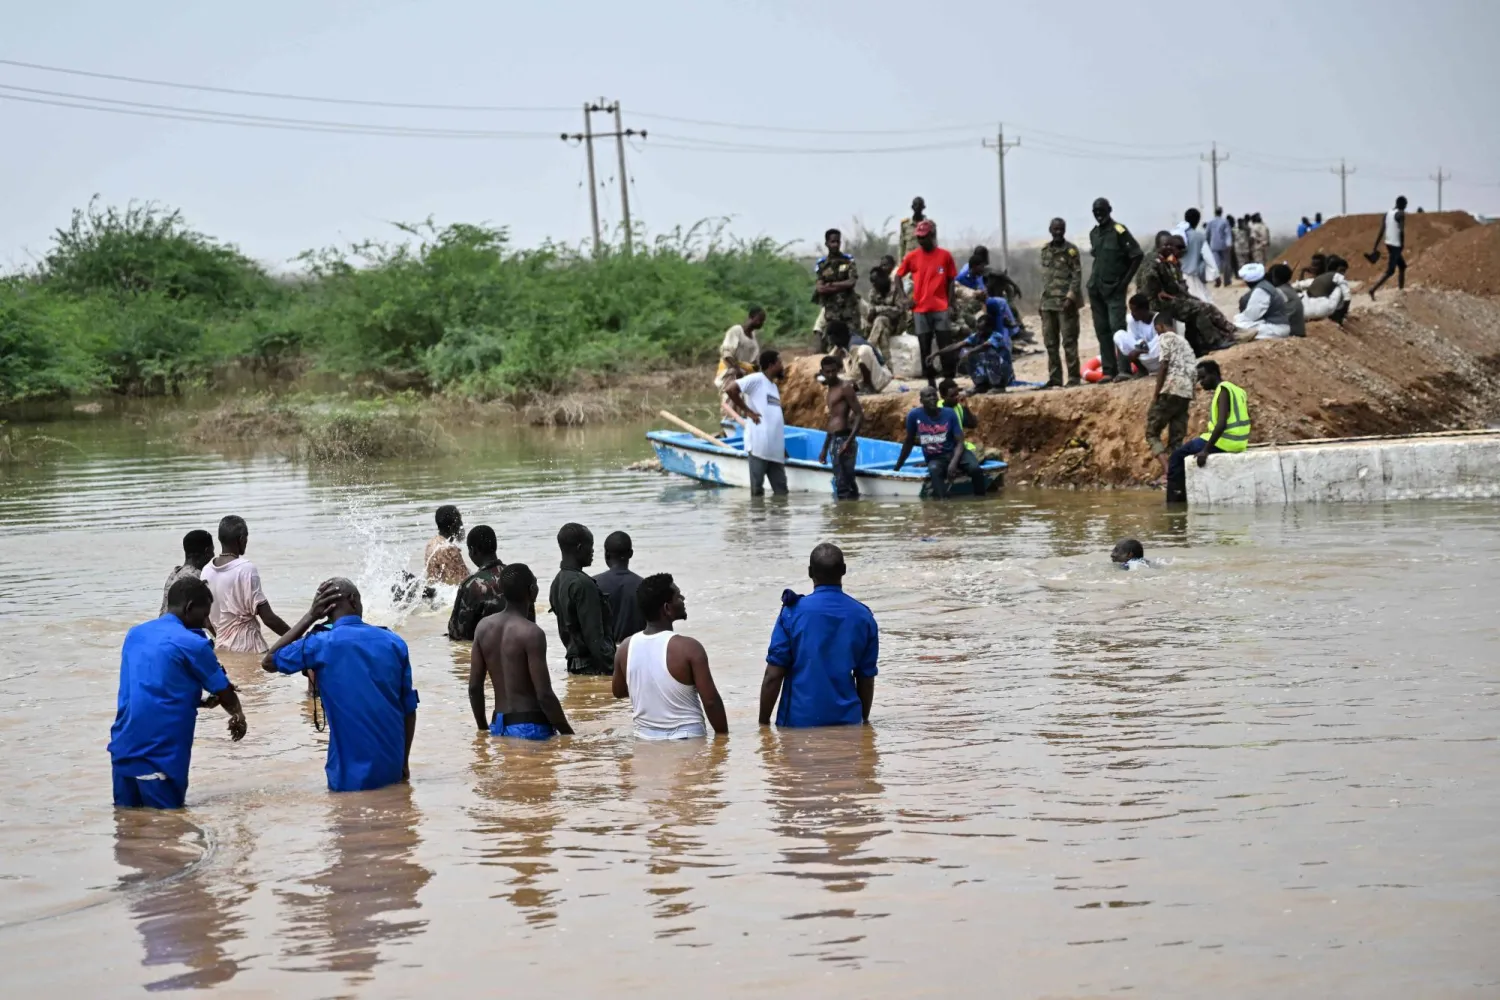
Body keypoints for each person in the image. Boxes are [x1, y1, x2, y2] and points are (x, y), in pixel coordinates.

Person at [263, 578, 418, 792]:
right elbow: (409, 709)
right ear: (354, 601)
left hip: (347, 776)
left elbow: (269, 661)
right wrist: (404, 763)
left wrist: (310, 616)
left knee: (347, 821)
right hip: (392, 767)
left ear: (324, 610)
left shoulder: (320, 643)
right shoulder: (394, 642)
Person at [110, 577, 247, 809]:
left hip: (123, 749)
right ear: (189, 607)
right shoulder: (193, 643)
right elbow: (225, 691)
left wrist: (202, 702)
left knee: (128, 828)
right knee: (167, 831)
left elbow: (154, 687)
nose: (207, 622)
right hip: (159, 753)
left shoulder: (135, 635)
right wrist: (239, 717)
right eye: (204, 614)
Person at [758, 543, 878, 728]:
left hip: (797, 723)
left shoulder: (792, 613)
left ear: (809, 572)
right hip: (848, 722)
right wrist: (863, 722)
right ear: (844, 570)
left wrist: (763, 724)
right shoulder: (863, 616)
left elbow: (773, 675)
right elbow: (866, 679)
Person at [612, 573, 728, 739]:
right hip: (688, 737)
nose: (683, 598)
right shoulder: (689, 648)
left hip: (644, 738)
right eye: (678, 596)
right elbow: (710, 701)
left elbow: (618, 691)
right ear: (667, 608)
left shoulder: (625, 647)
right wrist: (723, 742)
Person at [470, 563, 574, 740]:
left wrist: (484, 729)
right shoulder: (532, 633)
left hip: (499, 725)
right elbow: (544, 695)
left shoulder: (483, 628)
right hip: (530, 727)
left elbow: (474, 687)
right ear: (532, 590)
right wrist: (568, 734)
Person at [201, 515, 289, 654]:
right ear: (241, 539)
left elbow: (207, 622)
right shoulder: (246, 569)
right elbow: (269, 619)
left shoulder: (206, 571)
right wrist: (298, 638)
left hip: (222, 650)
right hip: (250, 648)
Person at [1166, 360, 1251, 503]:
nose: (1201, 382)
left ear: (1214, 374)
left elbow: (1221, 423)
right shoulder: (1238, 390)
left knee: (1176, 457)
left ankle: (1175, 503)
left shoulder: (1223, 389)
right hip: (1239, 443)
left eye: (1203, 377)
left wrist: (1206, 450)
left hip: (1224, 442)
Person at [1143, 234, 1237, 358]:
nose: (1170, 249)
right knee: (1197, 309)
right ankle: (1214, 341)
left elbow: (1174, 285)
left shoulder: (1165, 261)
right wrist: (1157, 291)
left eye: (1171, 246)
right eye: (1167, 246)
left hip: (1166, 298)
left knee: (1199, 305)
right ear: (1160, 246)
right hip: (1156, 302)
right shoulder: (1154, 260)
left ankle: (1202, 344)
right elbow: (1149, 278)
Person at [893, 220, 958, 386]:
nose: (922, 241)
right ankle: (930, 381)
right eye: (919, 238)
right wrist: (903, 298)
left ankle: (949, 380)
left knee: (945, 345)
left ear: (932, 236)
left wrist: (951, 303)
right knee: (924, 347)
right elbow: (898, 276)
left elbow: (951, 280)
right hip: (920, 309)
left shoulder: (945, 256)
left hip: (941, 307)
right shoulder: (912, 257)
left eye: (924, 237)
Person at [1087, 197, 1145, 381]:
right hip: (1096, 289)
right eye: (1095, 212)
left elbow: (1137, 255)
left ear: (1109, 210)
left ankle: (1124, 370)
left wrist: (1124, 283)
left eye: (1102, 211)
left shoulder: (1119, 230)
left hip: (1114, 289)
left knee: (1118, 330)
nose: (1099, 215)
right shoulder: (1094, 234)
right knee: (1102, 330)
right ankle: (1108, 371)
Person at [893, 386, 987, 499]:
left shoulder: (949, 413)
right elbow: (909, 442)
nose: (932, 398)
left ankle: (981, 500)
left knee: (975, 469)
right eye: (928, 396)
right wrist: (897, 467)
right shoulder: (914, 416)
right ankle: (942, 503)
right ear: (921, 401)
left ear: (938, 399)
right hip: (936, 458)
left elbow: (960, 442)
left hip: (956, 453)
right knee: (934, 469)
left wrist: (953, 463)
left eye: (934, 395)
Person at [548, 522, 616, 675]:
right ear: (579, 548)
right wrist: (615, 670)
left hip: (575, 666)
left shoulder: (557, 582)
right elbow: (594, 639)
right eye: (590, 546)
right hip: (593, 667)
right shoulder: (583, 584)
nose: (592, 551)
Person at [724, 349, 788, 497]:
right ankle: (757, 518)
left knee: (782, 492)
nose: (782, 366)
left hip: (775, 449)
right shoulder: (756, 379)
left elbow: (773, 418)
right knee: (757, 490)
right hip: (759, 445)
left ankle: (778, 520)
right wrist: (747, 411)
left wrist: (782, 446)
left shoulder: (773, 386)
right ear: (771, 365)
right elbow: (730, 389)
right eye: (780, 363)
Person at [1146, 311, 1196, 480]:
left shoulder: (1166, 337)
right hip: (1186, 393)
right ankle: (1176, 473)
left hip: (1170, 390)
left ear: (1160, 326)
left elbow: (1164, 365)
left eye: (1156, 329)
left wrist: (1156, 393)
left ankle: (1168, 471)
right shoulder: (1186, 343)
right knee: (1176, 438)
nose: (1157, 333)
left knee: (1152, 433)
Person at [1038, 217, 1084, 388]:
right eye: (1055, 229)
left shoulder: (1071, 250)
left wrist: (1071, 297)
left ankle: (1073, 378)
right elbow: (1045, 278)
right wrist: (1041, 303)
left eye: (1061, 229)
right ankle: (1055, 378)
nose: (1058, 232)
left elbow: (1077, 275)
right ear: (1050, 230)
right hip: (1048, 303)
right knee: (1051, 343)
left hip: (1066, 304)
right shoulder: (1045, 250)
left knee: (1069, 342)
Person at [816, 354, 864, 500]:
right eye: (827, 372)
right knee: (843, 482)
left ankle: (845, 518)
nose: (831, 374)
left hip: (844, 438)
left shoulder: (845, 388)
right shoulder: (830, 390)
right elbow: (832, 420)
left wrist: (848, 442)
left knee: (844, 484)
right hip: (834, 440)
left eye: (833, 371)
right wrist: (824, 448)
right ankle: (849, 518)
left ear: (838, 370)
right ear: (822, 372)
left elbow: (859, 415)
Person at [930, 310, 1012, 394]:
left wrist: (969, 353)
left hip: (1003, 372)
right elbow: (957, 345)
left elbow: (985, 346)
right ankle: (981, 385)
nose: (980, 333)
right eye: (979, 330)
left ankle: (999, 386)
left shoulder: (996, 336)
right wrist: (937, 353)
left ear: (990, 328)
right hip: (989, 370)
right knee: (969, 356)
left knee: (988, 354)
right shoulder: (976, 336)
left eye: (982, 330)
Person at [447, 524, 505, 641]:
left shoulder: (471, 585)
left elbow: (457, 633)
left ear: (473, 551)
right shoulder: (516, 575)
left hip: (487, 650)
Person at [594, 530, 646, 643]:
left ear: (606, 555)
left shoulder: (592, 584)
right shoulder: (645, 586)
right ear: (631, 554)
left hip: (605, 655)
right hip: (636, 652)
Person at [716, 307, 767, 422]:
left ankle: (740, 428)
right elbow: (727, 353)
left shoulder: (753, 339)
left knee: (742, 404)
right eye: (759, 320)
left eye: (763, 321)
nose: (761, 324)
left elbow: (753, 362)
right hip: (730, 372)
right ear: (751, 318)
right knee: (729, 401)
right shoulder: (736, 331)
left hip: (743, 375)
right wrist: (737, 369)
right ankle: (727, 428)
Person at [813, 229, 860, 350]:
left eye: (838, 241)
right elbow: (820, 288)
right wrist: (840, 286)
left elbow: (851, 282)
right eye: (832, 241)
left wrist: (831, 285)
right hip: (832, 311)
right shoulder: (822, 264)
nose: (835, 245)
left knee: (854, 342)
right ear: (827, 243)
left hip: (849, 310)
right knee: (833, 345)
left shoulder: (848, 260)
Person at [159, 529, 216, 620]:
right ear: (207, 551)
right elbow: (205, 619)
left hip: (162, 626)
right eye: (212, 551)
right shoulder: (196, 579)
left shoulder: (174, 573)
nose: (213, 555)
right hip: (179, 631)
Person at [827, 319, 891, 394]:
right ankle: (862, 387)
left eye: (834, 339)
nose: (834, 343)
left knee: (864, 351)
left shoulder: (855, 344)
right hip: (870, 377)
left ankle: (868, 387)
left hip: (880, 377)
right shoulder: (845, 341)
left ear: (839, 336)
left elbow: (855, 374)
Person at [1232, 263, 1293, 340]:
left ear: (1247, 282)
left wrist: (1236, 319)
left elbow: (1252, 316)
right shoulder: (1267, 286)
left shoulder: (1261, 290)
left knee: (1237, 326)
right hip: (1277, 325)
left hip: (1276, 328)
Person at [862, 264, 908, 356]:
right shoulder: (873, 292)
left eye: (875, 281)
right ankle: (887, 365)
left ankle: (869, 348)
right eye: (872, 281)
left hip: (897, 323)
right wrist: (871, 314)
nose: (874, 284)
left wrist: (879, 310)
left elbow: (900, 310)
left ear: (883, 278)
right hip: (882, 326)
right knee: (883, 335)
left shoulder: (895, 289)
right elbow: (871, 309)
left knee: (880, 319)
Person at [1369, 196, 1409, 300]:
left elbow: (1381, 231)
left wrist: (1375, 246)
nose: (1405, 208)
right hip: (1396, 245)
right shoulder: (1400, 214)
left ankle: (1401, 291)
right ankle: (1373, 290)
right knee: (1390, 271)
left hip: (1389, 243)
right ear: (1401, 204)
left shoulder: (1388, 213)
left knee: (1402, 266)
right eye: (1405, 205)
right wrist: (1402, 244)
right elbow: (1401, 230)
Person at [1113, 293, 1160, 376]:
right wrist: (1139, 348)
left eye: (1134, 311)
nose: (1132, 314)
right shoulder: (1132, 320)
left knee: (1162, 337)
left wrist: (1143, 347)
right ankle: (1142, 370)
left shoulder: (1158, 319)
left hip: (1158, 357)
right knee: (1118, 335)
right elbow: (1134, 341)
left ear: (1144, 309)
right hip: (1143, 355)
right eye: (1131, 311)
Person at [1297, 255, 1352, 323]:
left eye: (1316, 266)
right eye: (1312, 265)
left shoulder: (1327, 279)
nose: (1313, 268)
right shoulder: (1321, 279)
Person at [424, 505, 468, 586]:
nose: (462, 525)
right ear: (453, 526)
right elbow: (464, 581)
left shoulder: (431, 544)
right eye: (460, 521)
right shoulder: (449, 549)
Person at [1180, 208, 1214, 301]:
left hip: (1179, 275)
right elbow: (1208, 257)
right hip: (1193, 276)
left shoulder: (1179, 235)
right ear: (1198, 220)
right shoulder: (1199, 237)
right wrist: (1215, 275)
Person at [1268, 263, 1307, 338]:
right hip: (1299, 331)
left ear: (1276, 278)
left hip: (1293, 333)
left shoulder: (1279, 291)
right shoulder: (1289, 289)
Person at [898, 195, 933, 259]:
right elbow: (902, 245)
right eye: (916, 205)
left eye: (920, 205)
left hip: (924, 259)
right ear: (912, 207)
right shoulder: (905, 225)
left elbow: (934, 244)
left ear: (923, 207)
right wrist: (901, 263)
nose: (918, 208)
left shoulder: (930, 225)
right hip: (909, 260)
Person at [1206, 207, 1234, 288]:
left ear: (1215, 212)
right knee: (1226, 263)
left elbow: (1207, 234)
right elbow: (1228, 233)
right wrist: (1229, 243)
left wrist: (1207, 244)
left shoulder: (1210, 222)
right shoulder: (1225, 221)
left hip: (1214, 245)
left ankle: (1217, 281)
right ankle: (1227, 281)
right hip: (1224, 245)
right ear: (1221, 212)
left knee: (1216, 264)